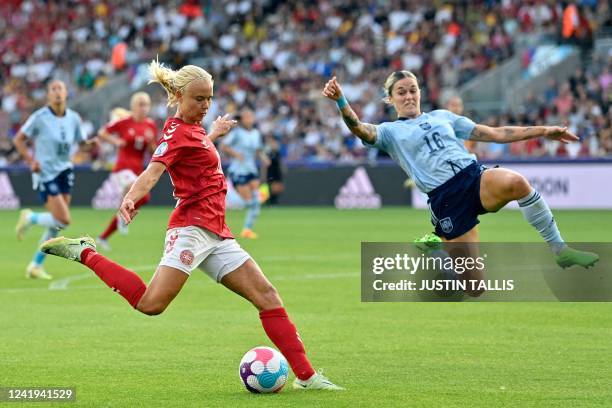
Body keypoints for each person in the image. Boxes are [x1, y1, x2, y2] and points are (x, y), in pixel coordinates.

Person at [41, 61, 342, 391]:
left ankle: (307, 377)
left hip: (217, 232)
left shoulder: (197, 130)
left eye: (209, 98)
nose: (206, 105)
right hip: (191, 230)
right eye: (199, 99)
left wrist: (214, 133)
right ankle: (85, 253)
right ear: (179, 97)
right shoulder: (173, 133)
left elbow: (196, 151)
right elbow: (153, 172)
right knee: (151, 304)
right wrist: (130, 197)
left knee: (268, 297)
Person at [322, 71, 598, 294]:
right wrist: (341, 101)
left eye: (413, 89)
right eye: (401, 92)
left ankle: (560, 249)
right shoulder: (389, 132)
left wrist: (545, 130)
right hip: (446, 200)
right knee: (474, 287)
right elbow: (359, 128)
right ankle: (438, 252)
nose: (409, 96)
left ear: (420, 92)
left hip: (473, 177)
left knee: (517, 183)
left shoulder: (443, 117)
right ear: (390, 99)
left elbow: (495, 133)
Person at [13, 79, 89, 280]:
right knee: (64, 219)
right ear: (48, 95)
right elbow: (18, 139)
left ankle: (35, 266)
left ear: (66, 93)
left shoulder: (73, 118)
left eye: (60, 88)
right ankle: (30, 218)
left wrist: (92, 144)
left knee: (57, 225)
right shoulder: (39, 117)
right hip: (46, 173)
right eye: (53, 89)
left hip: (65, 171)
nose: (57, 92)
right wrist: (31, 161)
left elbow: (82, 143)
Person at [96, 92, 158, 250]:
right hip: (122, 168)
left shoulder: (150, 125)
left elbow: (152, 149)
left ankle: (104, 236)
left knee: (144, 197)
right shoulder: (124, 122)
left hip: (138, 170)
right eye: (141, 104)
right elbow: (102, 132)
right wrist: (116, 141)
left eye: (146, 104)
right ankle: (122, 217)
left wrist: (156, 152)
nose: (144, 108)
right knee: (132, 188)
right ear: (133, 106)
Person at [220, 108, 269, 239]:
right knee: (248, 202)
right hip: (238, 170)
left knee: (255, 202)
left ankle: (247, 229)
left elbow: (258, 150)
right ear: (242, 120)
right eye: (247, 117)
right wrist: (235, 154)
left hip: (251, 169)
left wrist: (264, 159)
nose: (250, 119)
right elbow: (224, 146)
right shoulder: (237, 133)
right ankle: (228, 202)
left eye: (251, 117)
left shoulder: (256, 133)